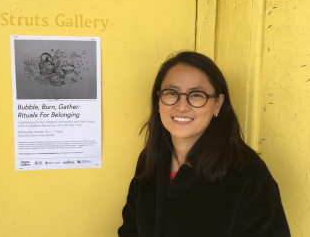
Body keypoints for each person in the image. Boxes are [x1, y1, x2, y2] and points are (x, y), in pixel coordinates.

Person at [118, 51, 290, 237]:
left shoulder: (246, 173)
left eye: (196, 95)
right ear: (158, 101)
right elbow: (130, 230)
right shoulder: (150, 160)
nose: (182, 106)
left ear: (217, 104)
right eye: (171, 93)